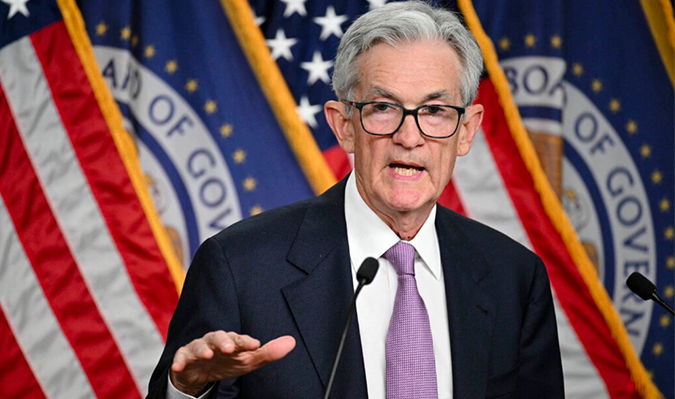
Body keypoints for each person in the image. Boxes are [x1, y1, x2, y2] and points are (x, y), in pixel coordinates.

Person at [147, 1, 564, 398]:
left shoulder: (514, 278)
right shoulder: (239, 268)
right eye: (383, 107)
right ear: (344, 124)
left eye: (435, 111)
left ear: (467, 130)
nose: (409, 136)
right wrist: (187, 391)